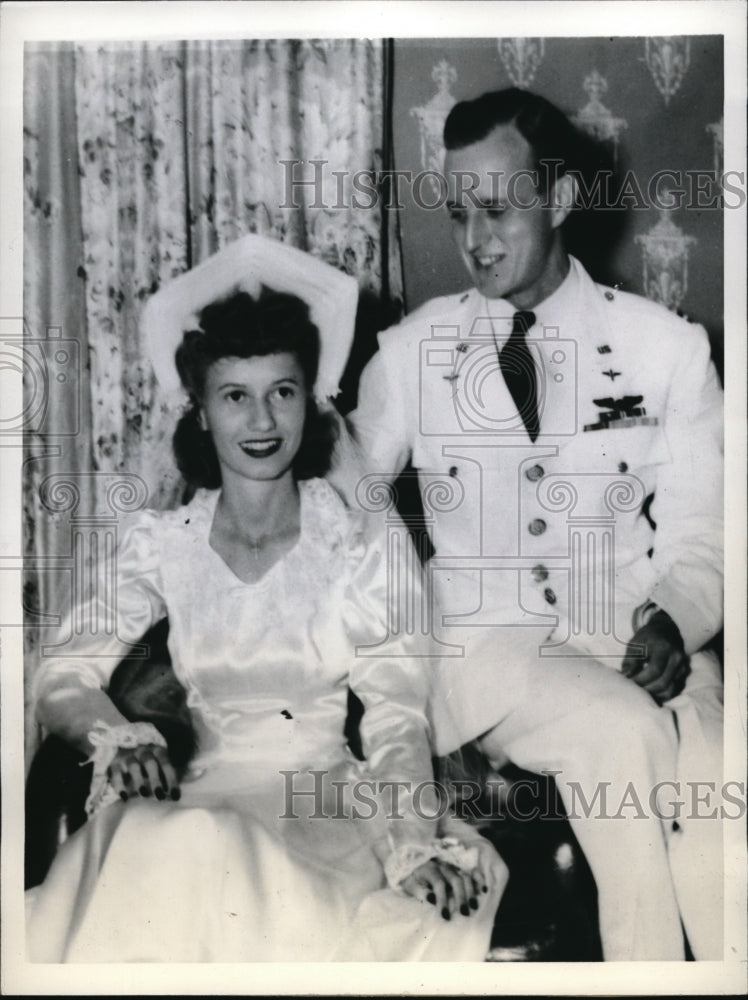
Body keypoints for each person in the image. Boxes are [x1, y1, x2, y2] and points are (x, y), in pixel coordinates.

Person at [349, 88, 724, 960]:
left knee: (716, 789)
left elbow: (713, 529)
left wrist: (678, 616)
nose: (475, 241)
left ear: (557, 200)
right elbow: (349, 525)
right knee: (621, 733)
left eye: (497, 210)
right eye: (459, 215)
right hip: (489, 652)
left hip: (635, 629)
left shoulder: (667, 348)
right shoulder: (410, 355)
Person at [26, 285, 506, 963]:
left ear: (310, 402)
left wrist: (410, 839)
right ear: (199, 411)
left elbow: (397, 713)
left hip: (325, 807)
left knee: (214, 859)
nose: (262, 420)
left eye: (282, 391)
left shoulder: (355, 541)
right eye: (234, 396)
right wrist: (117, 738)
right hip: (198, 796)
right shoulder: (163, 543)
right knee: (169, 847)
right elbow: (63, 668)